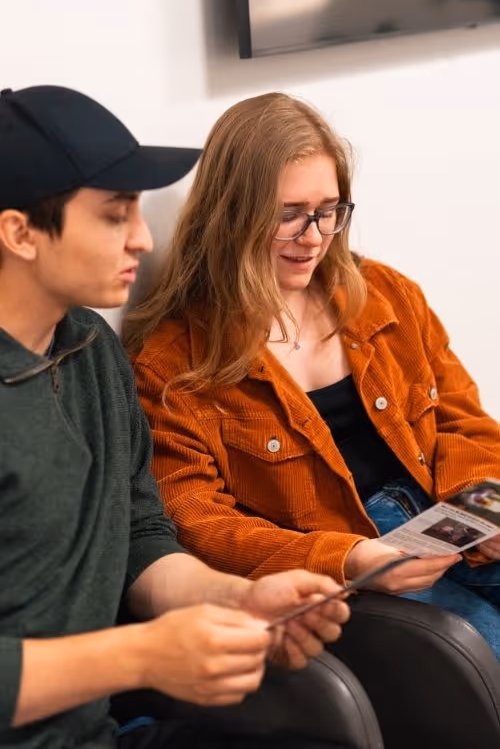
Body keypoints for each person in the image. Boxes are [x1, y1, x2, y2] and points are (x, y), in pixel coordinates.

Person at [0, 85, 352, 749]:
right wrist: (140, 656)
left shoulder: (92, 351)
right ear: (20, 232)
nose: (144, 238)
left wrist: (234, 599)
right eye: (114, 215)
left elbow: (137, 537)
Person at [125, 92, 500, 659]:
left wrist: (482, 505)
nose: (314, 236)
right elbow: (197, 526)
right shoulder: (172, 363)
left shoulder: (385, 294)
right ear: (232, 214)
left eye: (330, 209)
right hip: (344, 572)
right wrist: (346, 559)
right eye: (288, 214)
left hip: (447, 523)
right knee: (484, 653)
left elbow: (462, 422)